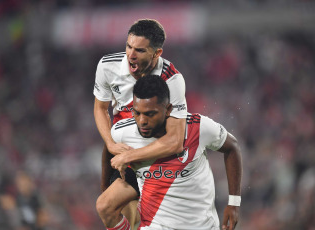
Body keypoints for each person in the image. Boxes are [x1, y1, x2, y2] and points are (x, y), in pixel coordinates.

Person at [109, 75, 242, 230]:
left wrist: (234, 203)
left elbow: (232, 147)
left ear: (168, 110)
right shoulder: (123, 132)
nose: (142, 121)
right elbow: (110, 148)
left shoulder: (197, 127)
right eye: (137, 113)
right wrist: (109, 184)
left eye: (150, 113)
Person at [93, 19, 187, 229]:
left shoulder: (172, 80)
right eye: (128, 46)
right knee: (108, 208)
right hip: (122, 152)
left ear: (157, 53)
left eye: (140, 50)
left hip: (157, 158)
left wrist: (129, 156)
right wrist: (110, 144)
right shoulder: (108, 66)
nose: (131, 55)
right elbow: (100, 108)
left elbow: (175, 141)